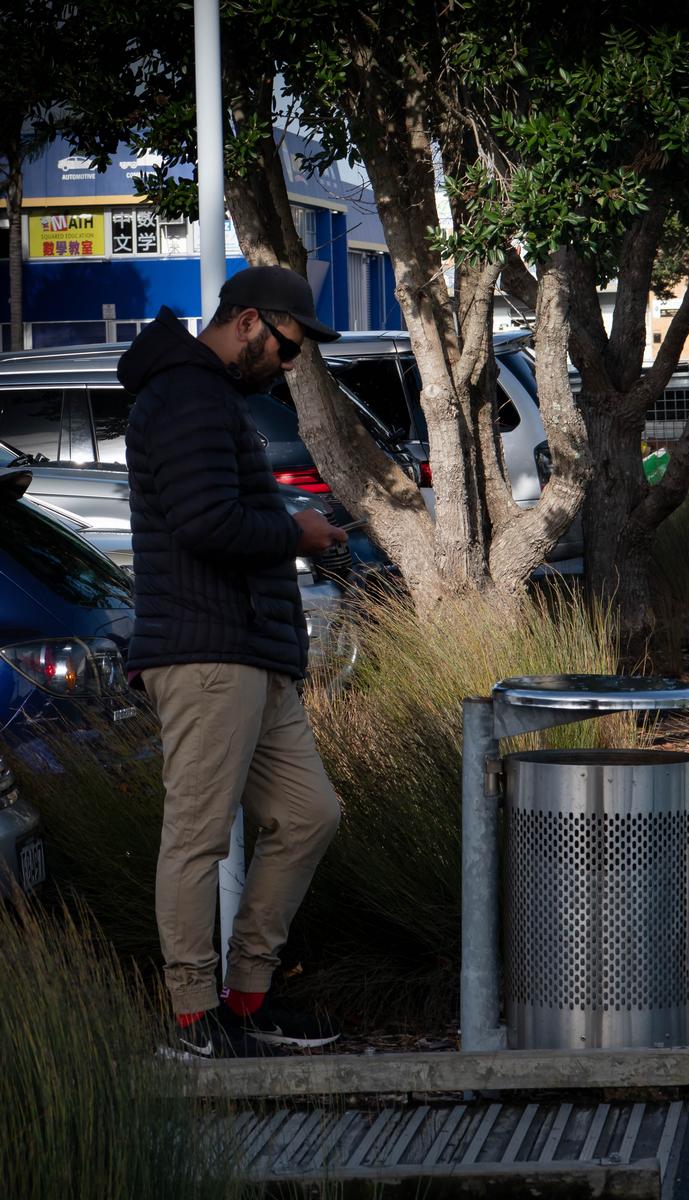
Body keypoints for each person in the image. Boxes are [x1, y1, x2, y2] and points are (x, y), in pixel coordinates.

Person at [118, 266, 347, 1058]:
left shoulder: (208, 399)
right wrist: (298, 535)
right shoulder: (187, 396)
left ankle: (248, 995)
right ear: (249, 321)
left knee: (310, 814)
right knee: (197, 835)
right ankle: (194, 1018)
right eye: (288, 348)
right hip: (206, 650)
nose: (290, 366)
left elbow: (218, 509)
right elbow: (204, 522)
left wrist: (291, 523)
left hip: (251, 651)